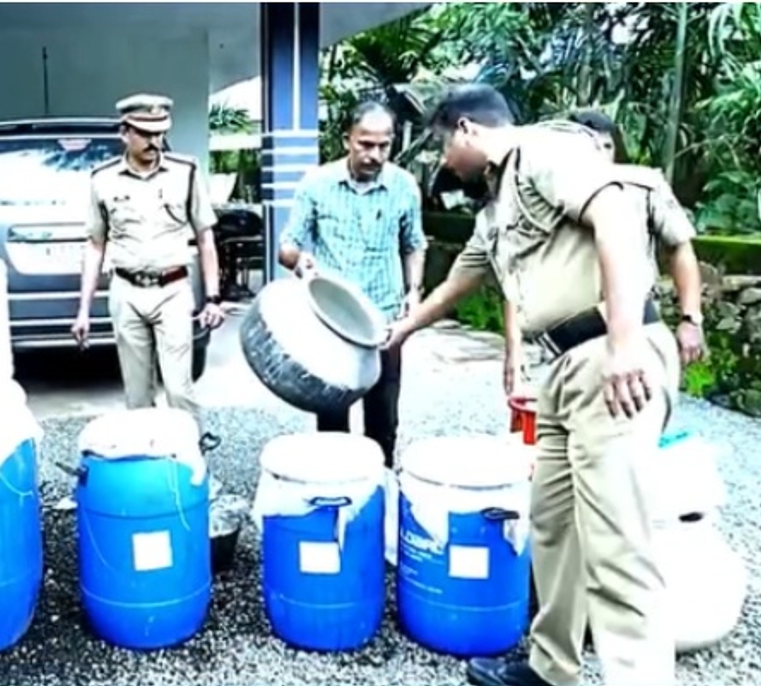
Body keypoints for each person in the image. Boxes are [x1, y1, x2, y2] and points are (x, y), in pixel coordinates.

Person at [387, 84, 678, 686]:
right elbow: (460, 281)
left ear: (467, 130)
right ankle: (551, 669)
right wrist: (397, 332)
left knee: (618, 550)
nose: (443, 163)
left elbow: (617, 217)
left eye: (443, 148)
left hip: (609, 357)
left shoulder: (546, 149)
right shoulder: (495, 202)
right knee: (553, 529)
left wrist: (625, 344)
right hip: (564, 368)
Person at [501, 109, 705, 395]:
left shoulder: (643, 185)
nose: (597, 153)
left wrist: (691, 319)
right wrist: (514, 348)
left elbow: (680, 247)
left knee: (628, 417)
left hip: (630, 327)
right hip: (558, 340)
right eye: (587, 146)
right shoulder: (539, 193)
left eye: (606, 145)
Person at [277, 101, 426, 467]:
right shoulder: (316, 184)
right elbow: (288, 247)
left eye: (383, 146)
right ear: (348, 140)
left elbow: (415, 244)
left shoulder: (404, 186)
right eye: (366, 144)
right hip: (333, 323)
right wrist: (300, 261)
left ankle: (381, 490)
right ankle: (336, 491)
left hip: (386, 321)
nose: (374, 155)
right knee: (331, 420)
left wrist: (414, 291)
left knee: (383, 419)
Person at [72, 93, 225, 440]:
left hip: (172, 291)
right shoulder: (103, 179)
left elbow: (205, 238)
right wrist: (82, 310)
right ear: (124, 132)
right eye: (145, 133)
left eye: (160, 133)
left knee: (179, 389)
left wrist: (213, 298)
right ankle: (149, 473)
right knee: (137, 396)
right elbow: (95, 246)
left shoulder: (185, 173)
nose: (155, 142)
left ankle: (191, 468)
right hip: (126, 293)